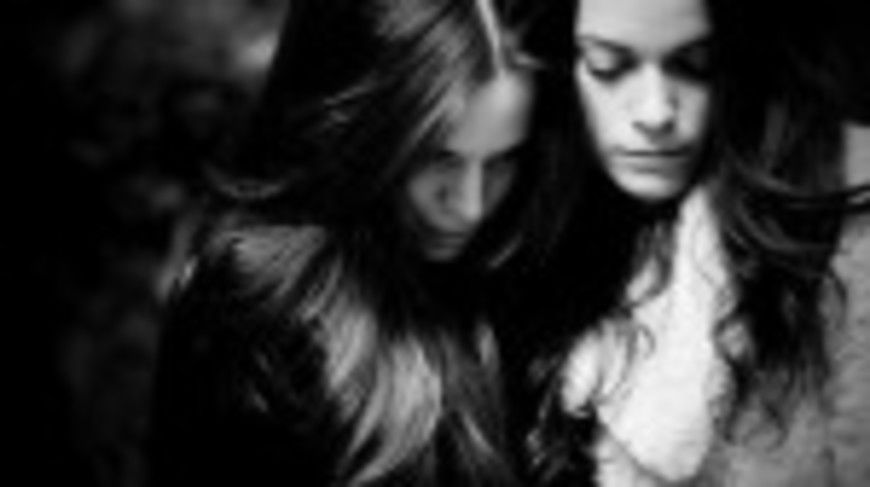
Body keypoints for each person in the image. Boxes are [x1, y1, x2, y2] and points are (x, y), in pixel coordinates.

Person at [146, 0, 579, 486]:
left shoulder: (526, 270)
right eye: (438, 158)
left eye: (502, 161)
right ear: (368, 139)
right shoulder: (256, 306)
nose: (470, 206)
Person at [516, 0, 870, 485]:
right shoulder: (510, 211)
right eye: (608, 67)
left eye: (696, 66)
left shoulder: (847, 218)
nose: (656, 112)